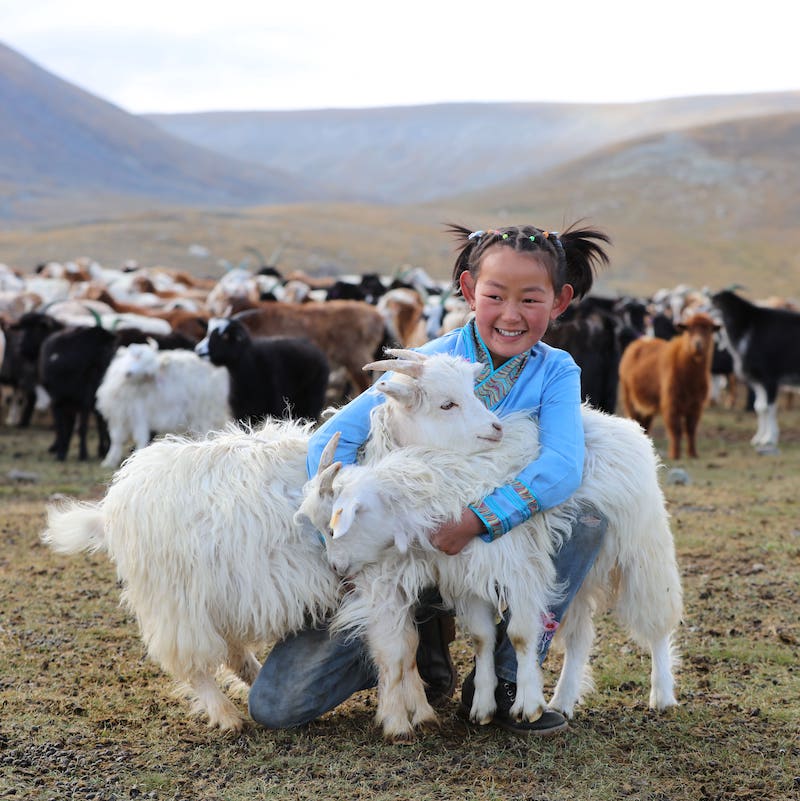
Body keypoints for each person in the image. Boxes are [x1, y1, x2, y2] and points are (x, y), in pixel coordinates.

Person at [249, 222, 611, 736]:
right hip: (404, 553)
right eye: (495, 296)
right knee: (278, 706)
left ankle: (506, 680)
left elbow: (562, 466)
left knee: (587, 522)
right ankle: (425, 635)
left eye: (530, 299)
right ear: (467, 291)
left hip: (488, 543)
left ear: (560, 301)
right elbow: (330, 441)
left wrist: (478, 519)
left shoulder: (554, 371)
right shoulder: (426, 367)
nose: (511, 315)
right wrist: (356, 510)